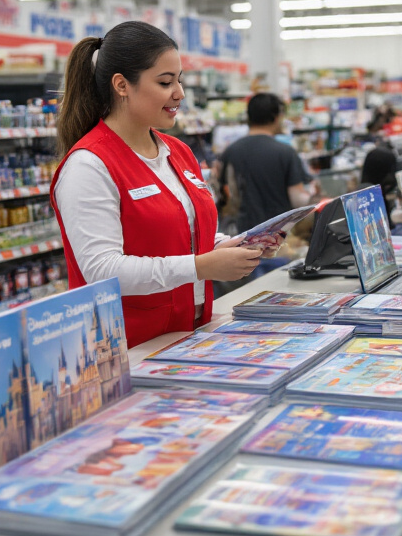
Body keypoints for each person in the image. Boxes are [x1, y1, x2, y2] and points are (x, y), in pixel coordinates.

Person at [50, 21, 262, 347]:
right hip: (125, 347)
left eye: (180, 80)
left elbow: (183, 231)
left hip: (189, 335)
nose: (179, 93)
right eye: (165, 82)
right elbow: (102, 270)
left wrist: (233, 248)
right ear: (121, 85)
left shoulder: (178, 152)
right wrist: (201, 266)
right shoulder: (89, 165)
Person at [216, 92, 317, 233]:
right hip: (277, 234)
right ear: (276, 117)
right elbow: (298, 199)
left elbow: (226, 197)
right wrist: (319, 201)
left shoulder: (231, 151)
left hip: (242, 234)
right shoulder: (286, 152)